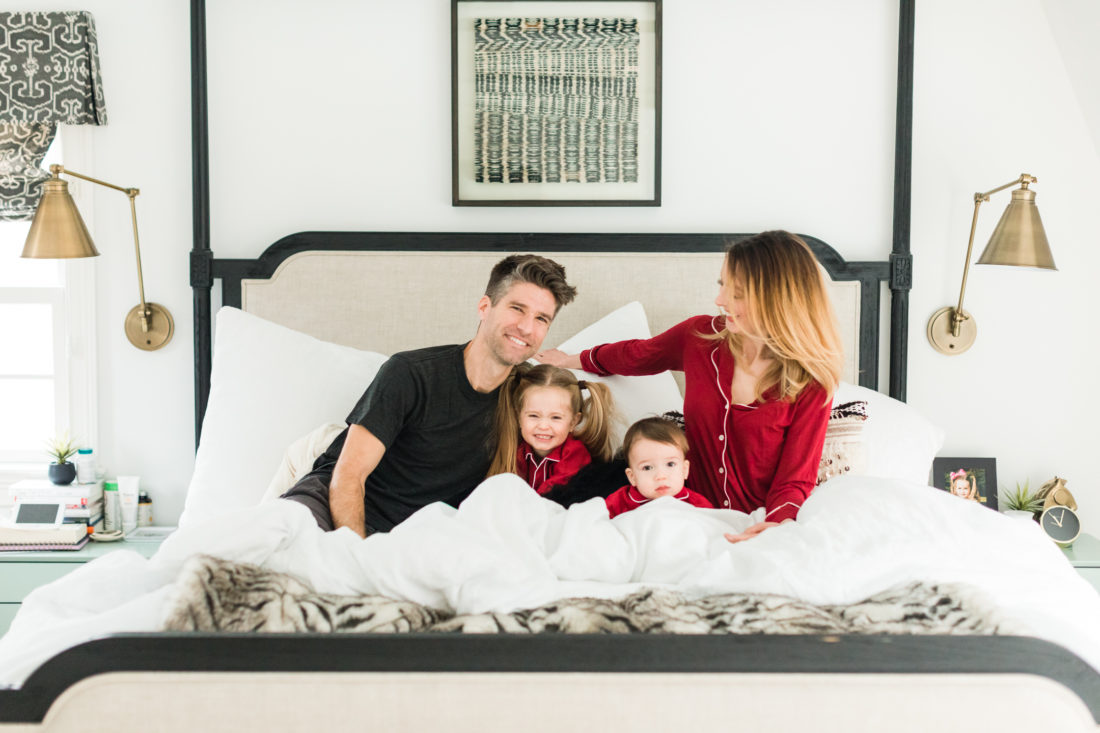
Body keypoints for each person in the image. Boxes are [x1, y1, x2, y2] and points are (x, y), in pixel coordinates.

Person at [537, 230, 843, 543]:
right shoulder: (699, 338)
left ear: (775, 300)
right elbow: (636, 355)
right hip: (679, 509)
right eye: (722, 285)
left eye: (736, 293)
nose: (719, 300)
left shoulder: (811, 382)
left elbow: (794, 481)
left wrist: (772, 529)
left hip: (753, 522)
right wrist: (573, 359)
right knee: (567, 513)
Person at [282, 254, 577, 537]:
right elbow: (348, 476)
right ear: (485, 307)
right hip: (335, 505)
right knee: (276, 550)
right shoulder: (411, 373)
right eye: (517, 308)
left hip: (414, 537)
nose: (526, 327)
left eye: (541, 319)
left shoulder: (528, 398)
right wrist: (356, 554)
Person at [487, 363, 616, 495]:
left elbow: (553, 495)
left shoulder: (574, 454)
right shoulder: (517, 451)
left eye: (555, 418)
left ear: (573, 422)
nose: (543, 426)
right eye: (533, 415)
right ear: (519, 417)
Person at [605, 417, 713, 518]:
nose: (661, 476)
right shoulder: (618, 503)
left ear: (684, 470)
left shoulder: (697, 505)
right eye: (647, 468)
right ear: (632, 477)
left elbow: (714, 530)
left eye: (670, 464)